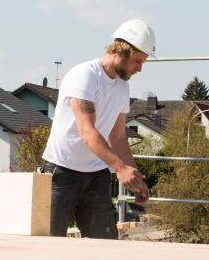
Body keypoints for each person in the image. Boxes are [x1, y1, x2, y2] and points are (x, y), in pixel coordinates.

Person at [41, 20, 154, 238]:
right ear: (122, 50)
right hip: (62, 172)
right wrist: (120, 168)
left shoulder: (122, 86)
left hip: (96, 175)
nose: (139, 68)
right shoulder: (85, 75)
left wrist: (134, 175)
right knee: (48, 243)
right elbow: (87, 132)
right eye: (138, 61)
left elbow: (118, 137)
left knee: (105, 246)